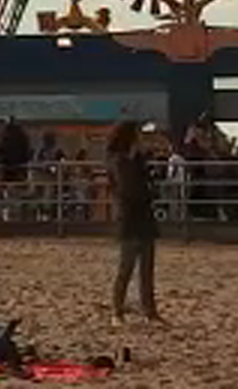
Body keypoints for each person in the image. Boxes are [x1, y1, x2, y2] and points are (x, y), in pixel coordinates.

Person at [106, 121, 160, 324]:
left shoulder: (138, 159)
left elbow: (147, 184)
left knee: (147, 269)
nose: (141, 138)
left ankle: (150, 311)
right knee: (126, 268)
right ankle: (117, 311)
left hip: (143, 217)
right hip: (129, 218)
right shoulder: (118, 160)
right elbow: (127, 188)